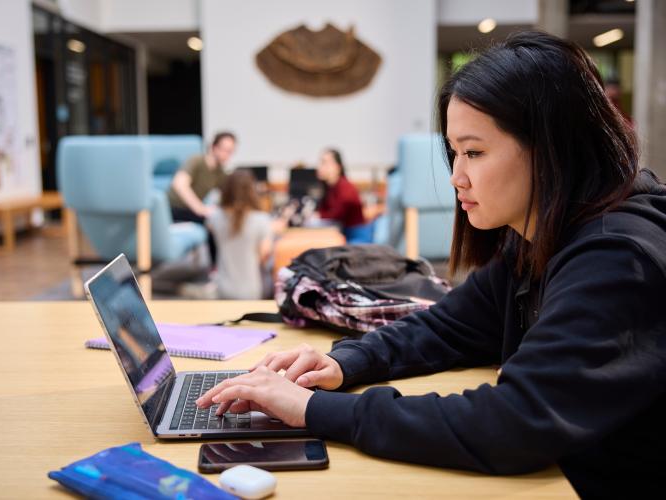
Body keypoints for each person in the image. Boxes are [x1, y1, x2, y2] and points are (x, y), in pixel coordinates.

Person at [197, 31, 666, 497]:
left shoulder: (617, 259)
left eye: (475, 152)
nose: (457, 177)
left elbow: (514, 423)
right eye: (455, 153)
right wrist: (342, 363)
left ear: (550, 149)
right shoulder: (540, 239)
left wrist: (312, 410)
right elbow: (447, 327)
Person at [206, 170, 274, 300]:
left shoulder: (215, 218)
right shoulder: (262, 220)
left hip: (222, 289)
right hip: (251, 291)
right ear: (252, 190)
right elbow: (265, 255)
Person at [167, 131, 237, 223]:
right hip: (174, 209)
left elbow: (227, 194)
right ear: (214, 147)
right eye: (225, 150)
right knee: (214, 223)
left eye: (230, 152)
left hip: (191, 212)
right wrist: (200, 209)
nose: (227, 155)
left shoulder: (220, 172)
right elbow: (179, 184)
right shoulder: (196, 161)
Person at [314, 149, 367, 240]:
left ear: (338, 167)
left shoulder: (345, 187)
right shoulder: (330, 188)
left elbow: (337, 214)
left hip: (355, 238)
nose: (320, 167)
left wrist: (319, 216)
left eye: (324, 163)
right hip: (344, 234)